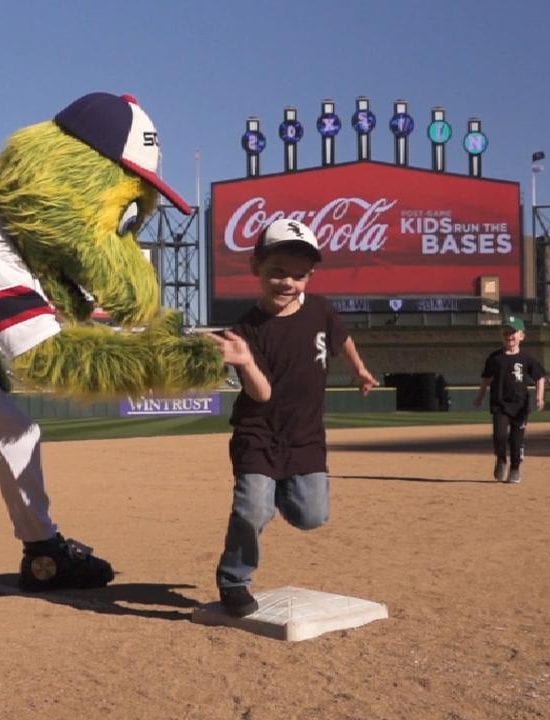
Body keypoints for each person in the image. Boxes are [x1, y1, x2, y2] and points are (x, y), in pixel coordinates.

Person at [209, 218, 379, 617]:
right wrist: (244, 362)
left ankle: (277, 490)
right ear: (256, 267)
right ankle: (234, 580)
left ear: (310, 276)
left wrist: (359, 369)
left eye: (299, 275)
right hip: (259, 433)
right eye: (277, 272)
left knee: (311, 516)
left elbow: (342, 337)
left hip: (305, 435)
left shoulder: (320, 309)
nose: (288, 282)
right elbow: (262, 394)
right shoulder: (245, 331)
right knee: (253, 510)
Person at [474, 315, 546, 484]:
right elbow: (486, 379)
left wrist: (539, 397)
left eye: (513, 332)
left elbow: (540, 377)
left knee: (516, 440)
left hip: (520, 406)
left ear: (521, 336)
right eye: (506, 332)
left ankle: (515, 468)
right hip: (500, 404)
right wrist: (480, 396)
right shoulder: (495, 358)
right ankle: (501, 460)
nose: (509, 336)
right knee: (499, 436)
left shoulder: (527, 359)